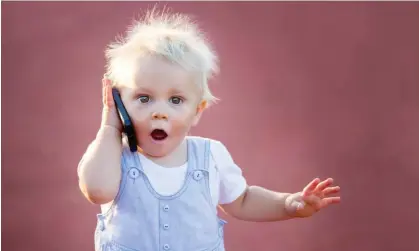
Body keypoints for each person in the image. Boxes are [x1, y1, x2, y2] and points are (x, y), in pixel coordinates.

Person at [77, 8, 341, 251]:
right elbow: (97, 189)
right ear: (119, 102)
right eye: (144, 98)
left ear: (198, 110)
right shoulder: (112, 155)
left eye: (176, 100)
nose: (160, 111)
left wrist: (287, 204)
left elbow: (243, 200)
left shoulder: (210, 156)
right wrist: (111, 124)